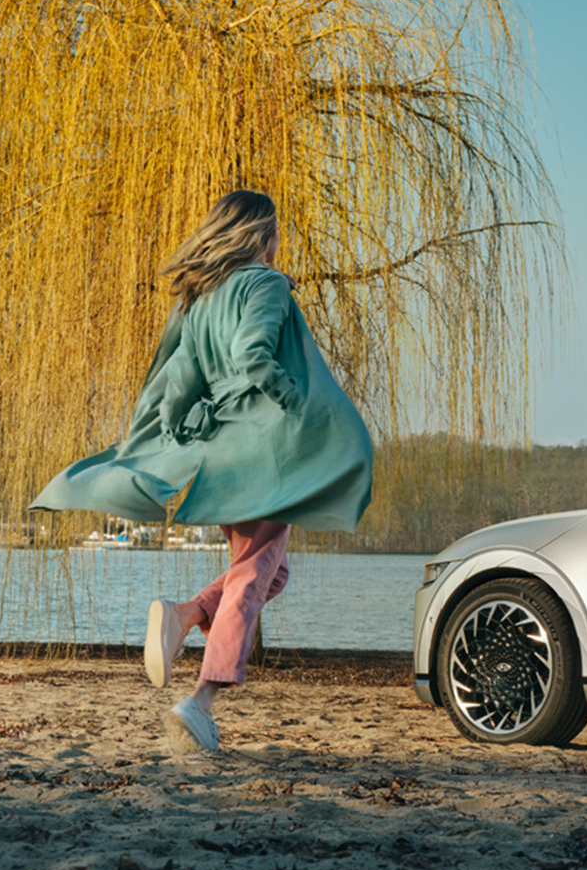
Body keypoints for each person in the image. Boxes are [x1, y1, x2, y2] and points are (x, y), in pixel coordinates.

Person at [32, 190, 372, 752]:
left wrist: (180, 434)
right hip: (265, 449)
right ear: (262, 236)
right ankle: (201, 701)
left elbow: (178, 385)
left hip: (223, 454)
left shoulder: (202, 297)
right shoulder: (264, 284)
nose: (278, 242)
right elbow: (254, 355)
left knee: (269, 573)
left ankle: (185, 615)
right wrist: (298, 406)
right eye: (276, 232)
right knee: (253, 576)